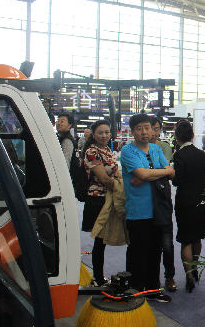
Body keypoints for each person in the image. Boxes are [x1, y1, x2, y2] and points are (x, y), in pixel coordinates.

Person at [121, 113, 175, 302]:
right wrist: (154, 173)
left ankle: (152, 290)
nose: (144, 132)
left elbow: (171, 172)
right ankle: (135, 291)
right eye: (139, 128)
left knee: (155, 252)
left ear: (152, 129)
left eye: (147, 127)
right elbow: (144, 174)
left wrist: (147, 174)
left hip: (158, 209)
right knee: (138, 253)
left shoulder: (156, 148)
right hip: (138, 211)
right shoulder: (128, 151)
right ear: (132, 131)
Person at [80, 120, 122, 287]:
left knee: (102, 240)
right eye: (100, 132)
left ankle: (99, 276)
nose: (104, 135)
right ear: (93, 134)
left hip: (108, 197)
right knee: (100, 241)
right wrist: (123, 188)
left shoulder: (107, 150)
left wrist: (124, 183)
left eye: (107, 132)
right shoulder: (92, 151)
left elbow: (115, 172)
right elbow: (104, 179)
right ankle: (98, 277)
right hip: (97, 200)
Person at [171, 121, 205, 293]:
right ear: (192, 136)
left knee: (186, 239)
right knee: (197, 236)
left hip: (185, 201)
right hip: (202, 198)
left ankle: (188, 277)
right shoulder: (202, 154)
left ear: (176, 137)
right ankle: (195, 268)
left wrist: (170, 174)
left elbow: (177, 181)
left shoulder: (179, 156)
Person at [148, 116, 176, 291]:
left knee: (167, 243)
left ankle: (170, 276)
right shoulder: (137, 149)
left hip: (162, 198)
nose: (152, 132)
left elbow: (168, 171)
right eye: (149, 128)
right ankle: (153, 278)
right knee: (151, 244)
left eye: (156, 128)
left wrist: (147, 173)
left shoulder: (163, 147)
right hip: (145, 200)